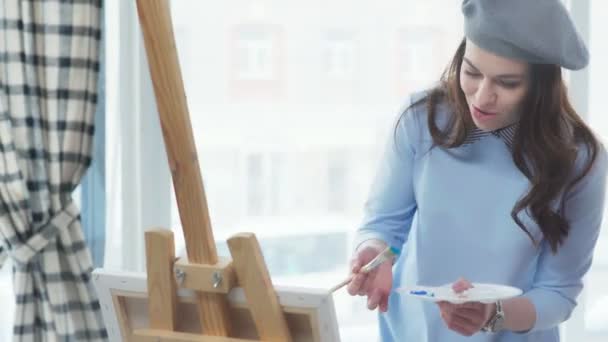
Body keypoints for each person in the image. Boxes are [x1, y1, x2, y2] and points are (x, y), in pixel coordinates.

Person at [346, 0, 608, 341]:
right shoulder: (421, 119)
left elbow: (558, 292)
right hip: (409, 333)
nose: (482, 97)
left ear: (542, 88)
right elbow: (383, 223)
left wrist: (494, 315)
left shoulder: (580, 161)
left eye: (508, 83)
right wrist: (373, 252)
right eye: (471, 72)